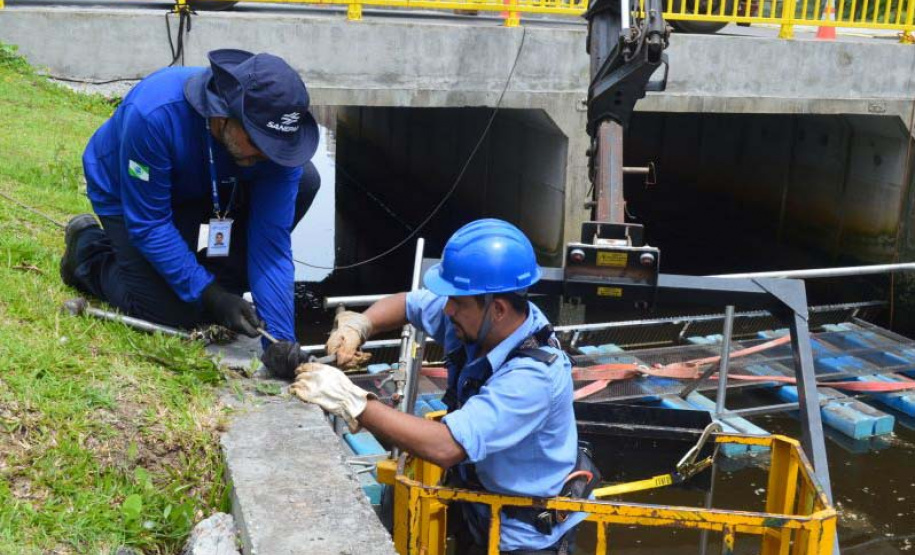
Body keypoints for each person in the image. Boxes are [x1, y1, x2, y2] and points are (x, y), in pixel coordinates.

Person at [264, 219, 593, 554]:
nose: (447, 308)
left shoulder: (532, 378)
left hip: (523, 539)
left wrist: (352, 399)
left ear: (497, 309)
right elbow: (410, 304)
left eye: (457, 302)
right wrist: (360, 325)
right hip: (478, 508)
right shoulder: (483, 318)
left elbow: (446, 447)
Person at [60, 49, 321, 343]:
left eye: (276, 146)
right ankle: (87, 250)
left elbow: (270, 246)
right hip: (131, 194)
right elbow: (150, 224)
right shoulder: (153, 114)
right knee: (172, 312)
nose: (268, 154)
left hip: (216, 187)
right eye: (259, 142)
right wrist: (211, 295)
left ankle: (213, 282)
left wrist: (280, 340)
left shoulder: (271, 154)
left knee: (305, 180)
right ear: (222, 116)